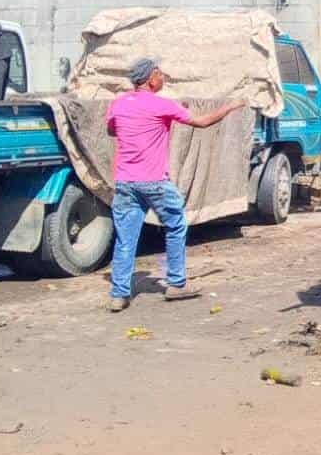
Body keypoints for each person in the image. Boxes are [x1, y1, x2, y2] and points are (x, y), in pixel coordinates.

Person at [104, 57, 248, 312]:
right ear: (150, 79)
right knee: (176, 224)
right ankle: (177, 284)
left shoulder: (119, 104)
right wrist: (230, 107)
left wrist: (162, 116)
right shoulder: (162, 105)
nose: (164, 77)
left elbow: (113, 131)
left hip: (125, 182)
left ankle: (119, 294)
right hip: (155, 181)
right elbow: (202, 122)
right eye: (160, 74)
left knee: (125, 239)